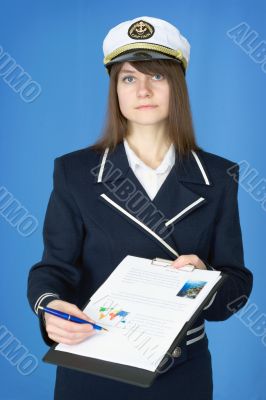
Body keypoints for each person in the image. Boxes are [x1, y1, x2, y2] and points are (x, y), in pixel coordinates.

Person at [27, 16, 253, 400]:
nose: (143, 90)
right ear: (115, 90)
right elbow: (53, 269)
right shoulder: (75, 171)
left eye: (157, 76)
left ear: (177, 85)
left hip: (182, 372)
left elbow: (236, 284)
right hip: (94, 365)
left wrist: (204, 279)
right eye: (128, 78)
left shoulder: (218, 175)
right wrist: (53, 309)